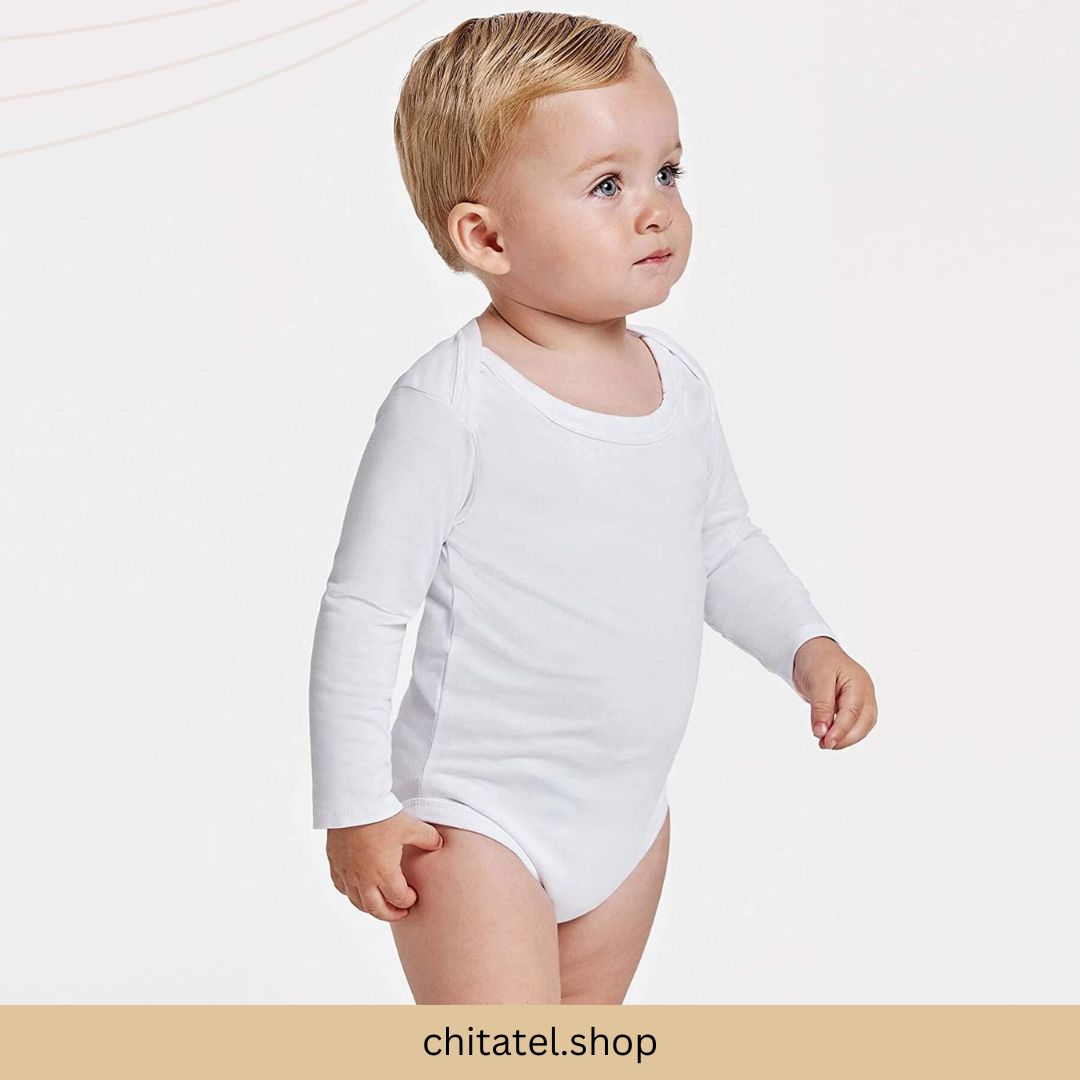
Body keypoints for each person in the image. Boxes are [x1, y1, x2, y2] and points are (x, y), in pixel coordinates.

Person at [308, 11, 878, 1005]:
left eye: (668, 172)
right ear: (487, 236)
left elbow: (721, 542)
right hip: (476, 820)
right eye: (608, 185)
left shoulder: (675, 384)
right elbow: (365, 608)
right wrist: (355, 805)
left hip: (628, 822)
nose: (655, 210)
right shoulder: (451, 404)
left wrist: (806, 642)